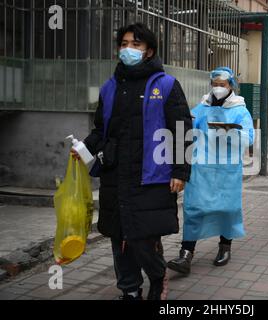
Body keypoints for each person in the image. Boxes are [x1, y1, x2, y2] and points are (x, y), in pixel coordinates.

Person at [71, 23, 193, 300]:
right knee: (119, 238)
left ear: (149, 51)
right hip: (116, 175)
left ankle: (158, 278)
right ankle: (129, 290)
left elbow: (183, 131)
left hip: (152, 176)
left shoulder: (166, 85)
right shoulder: (110, 87)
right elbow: (101, 130)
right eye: (124, 43)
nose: (128, 49)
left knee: (144, 238)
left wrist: (180, 171)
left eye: (136, 45)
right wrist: (84, 148)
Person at [167, 67, 255, 274]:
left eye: (222, 85)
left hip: (227, 169)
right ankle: (186, 254)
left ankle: (225, 246)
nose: (217, 89)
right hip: (201, 168)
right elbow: (188, 128)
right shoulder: (202, 107)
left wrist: (229, 131)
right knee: (194, 208)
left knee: (227, 209)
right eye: (214, 85)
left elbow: (249, 138)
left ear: (231, 86)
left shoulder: (240, 110)